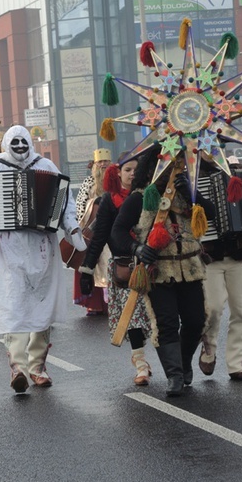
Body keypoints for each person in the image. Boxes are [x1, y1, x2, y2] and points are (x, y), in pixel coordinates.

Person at [0, 125, 84, 394]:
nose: (19, 146)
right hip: (10, 248)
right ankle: (17, 366)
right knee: (14, 304)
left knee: (42, 304)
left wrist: (72, 227)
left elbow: (64, 203)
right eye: (15, 142)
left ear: (29, 142)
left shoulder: (46, 166)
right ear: (8, 143)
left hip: (42, 246)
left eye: (23, 142)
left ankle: (38, 366)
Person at [110, 145, 215, 396]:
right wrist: (137, 248)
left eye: (177, 164)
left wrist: (194, 195)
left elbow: (212, 216)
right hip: (157, 271)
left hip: (190, 268)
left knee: (196, 320)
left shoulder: (187, 195)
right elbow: (117, 231)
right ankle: (175, 376)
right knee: (166, 323)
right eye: (166, 164)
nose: (171, 169)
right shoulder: (140, 197)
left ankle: (183, 361)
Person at [79, 155, 155, 386]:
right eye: (128, 169)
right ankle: (140, 364)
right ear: (118, 173)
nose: (132, 174)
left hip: (153, 265)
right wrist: (87, 269)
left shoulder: (150, 197)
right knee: (132, 320)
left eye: (136, 170)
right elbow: (100, 237)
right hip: (124, 268)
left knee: (155, 319)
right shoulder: (108, 201)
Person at [197, 154, 242, 382]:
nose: (210, 151)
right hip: (211, 255)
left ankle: (237, 364)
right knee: (214, 308)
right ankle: (208, 347)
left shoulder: (241, 171)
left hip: (239, 253)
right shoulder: (195, 175)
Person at [74, 148, 111, 316]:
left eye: (106, 162)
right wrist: (94, 204)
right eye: (100, 162)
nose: (103, 165)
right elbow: (80, 207)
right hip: (93, 229)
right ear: (95, 164)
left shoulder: (114, 180)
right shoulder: (88, 182)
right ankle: (96, 303)